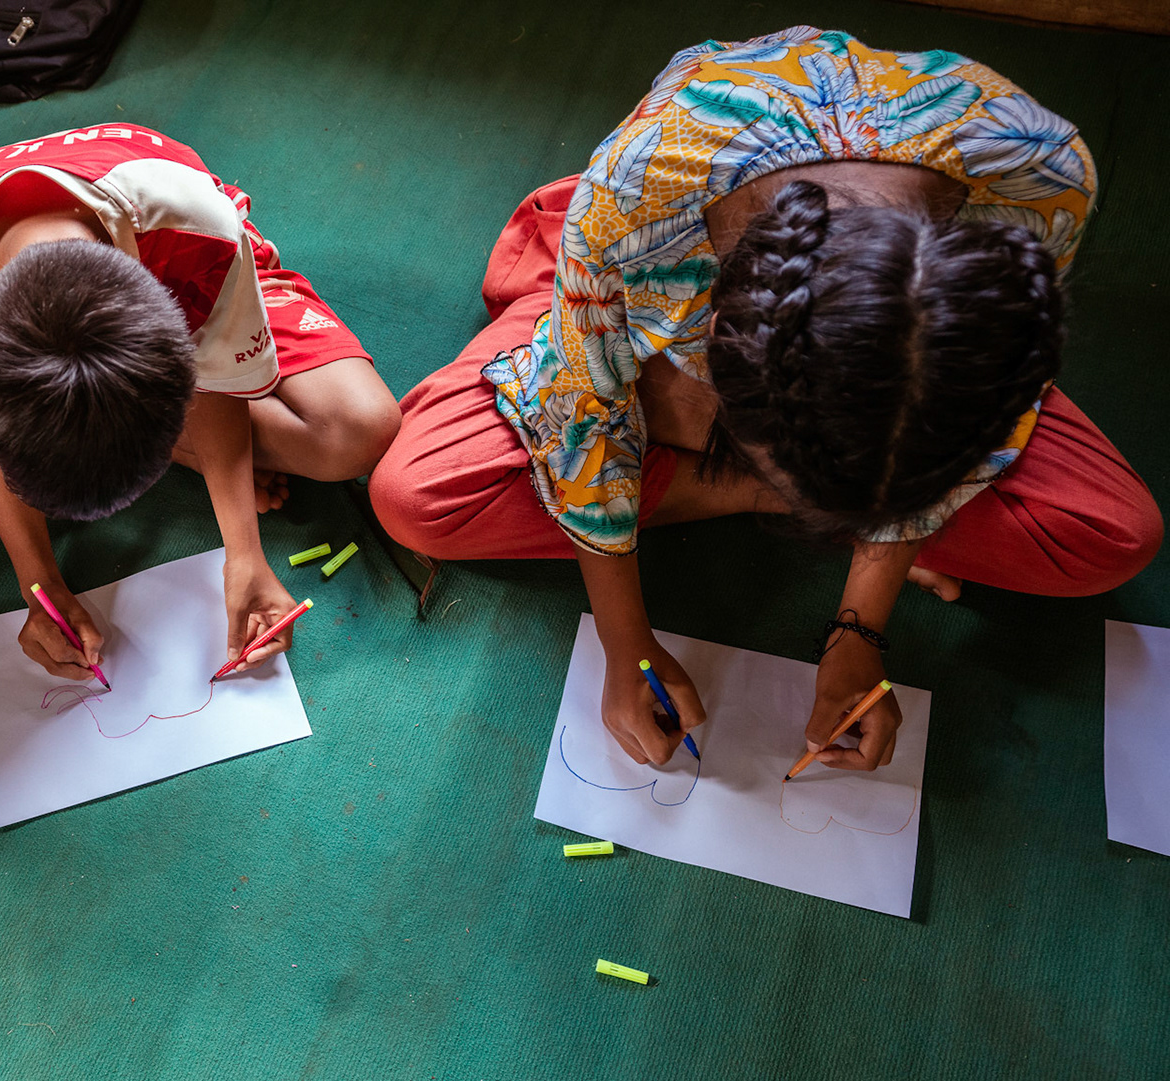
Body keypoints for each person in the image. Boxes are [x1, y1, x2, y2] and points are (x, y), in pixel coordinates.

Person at [370, 27, 1160, 771]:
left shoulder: (1043, 175)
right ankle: (604, 336)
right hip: (639, 281)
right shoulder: (631, 204)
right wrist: (627, 646)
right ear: (718, 346)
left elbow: (990, 405)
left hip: (826, 363)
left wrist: (860, 631)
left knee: (1112, 538)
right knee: (420, 496)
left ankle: (751, 473)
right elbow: (588, 414)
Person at [0, 122, 399, 679]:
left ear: (180, 346)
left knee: (357, 430)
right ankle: (170, 445)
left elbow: (218, 384)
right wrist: (39, 584)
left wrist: (245, 555)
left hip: (177, 261)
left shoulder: (198, 232)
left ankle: (168, 442)